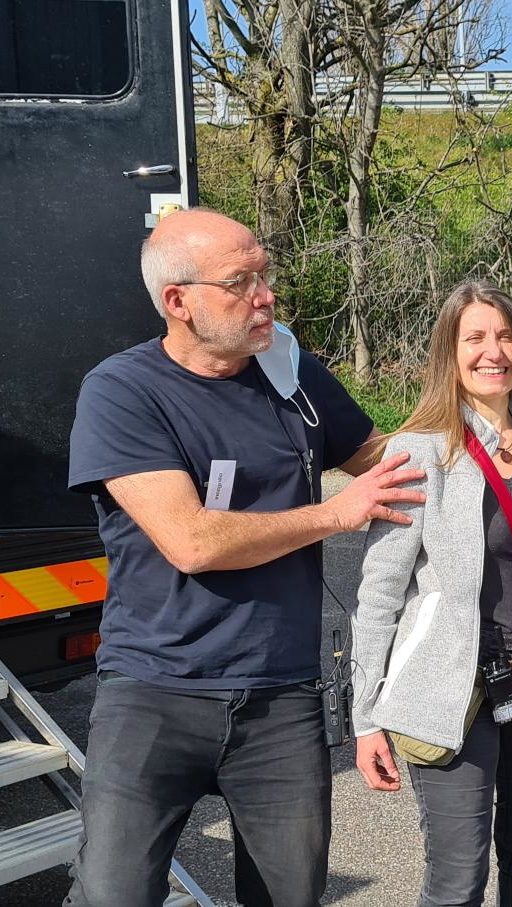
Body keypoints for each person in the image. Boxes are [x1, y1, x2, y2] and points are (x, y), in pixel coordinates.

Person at [64, 207, 428, 907]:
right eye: (241, 282)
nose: (265, 296)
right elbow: (191, 542)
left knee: (289, 896)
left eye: (265, 276)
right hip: (154, 689)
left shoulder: (293, 379)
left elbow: (390, 459)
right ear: (178, 301)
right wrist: (333, 513)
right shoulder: (123, 390)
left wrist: (506, 439)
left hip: (280, 695)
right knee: (112, 895)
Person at [350, 279, 512, 907]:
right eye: (475, 338)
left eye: (506, 336)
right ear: (450, 355)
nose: (494, 352)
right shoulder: (417, 454)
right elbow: (379, 596)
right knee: (458, 877)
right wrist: (366, 718)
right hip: (451, 691)